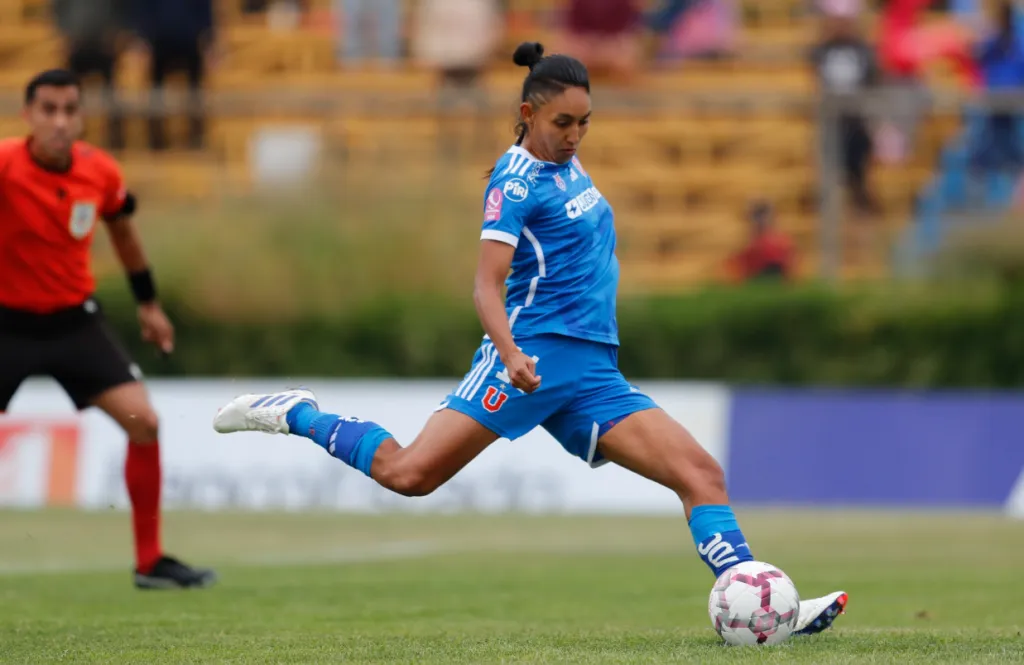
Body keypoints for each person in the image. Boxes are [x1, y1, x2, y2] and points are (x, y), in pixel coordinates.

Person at [212, 43, 846, 634]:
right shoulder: (512, 184)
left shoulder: (567, 165)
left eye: (585, 123)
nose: (574, 136)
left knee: (701, 474)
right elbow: (486, 287)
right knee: (409, 474)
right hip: (532, 356)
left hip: (592, 372)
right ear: (527, 114)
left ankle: (766, 605)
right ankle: (297, 414)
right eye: (563, 123)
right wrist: (511, 356)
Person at [0, 70, 216, 590]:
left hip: (74, 322)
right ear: (27, 115)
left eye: (69, 110)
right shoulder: (5, 165)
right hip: (6, 324)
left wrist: (150, 305)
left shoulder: (100, 172)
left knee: (144, 422)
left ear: (81, 116)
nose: (59, 120)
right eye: (48, 109)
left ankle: (150, 562)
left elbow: (124, 236)